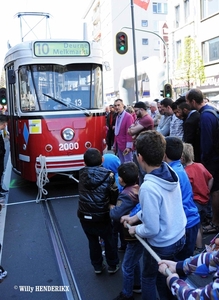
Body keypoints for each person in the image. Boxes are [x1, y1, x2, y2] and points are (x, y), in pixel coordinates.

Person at [121, 130, 187, 300]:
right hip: (179, 235)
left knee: (149, 278)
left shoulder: (148, 188)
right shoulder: (170, 173)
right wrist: (135, 218)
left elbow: (151, 229)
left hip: (163, 243)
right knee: (167, 274)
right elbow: (159, 208)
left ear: (140, 157)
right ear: (163, 154)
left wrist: (135, 230)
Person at [77, 148, 120, 274]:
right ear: (102, 159)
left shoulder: (81, 174)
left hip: (84, 214)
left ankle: (97, 266)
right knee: (109, 239)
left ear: (84, 163)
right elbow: (114, 192)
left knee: (92, 241)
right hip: (102, 214)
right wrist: (112, 203)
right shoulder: (109, 175)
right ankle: (112, 265)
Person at [186, 88, 219, 233]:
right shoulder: (210, 112)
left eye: (188, 101)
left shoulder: (205, 116)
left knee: (215, 191)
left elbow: (207, 142)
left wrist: (203, 162)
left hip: (213, 159)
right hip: (215, 158)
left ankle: (215, 222)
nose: (187, 105)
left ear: (193, 101)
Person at [110, 162, 143, 300]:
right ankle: (137, 285)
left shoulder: (126, 195)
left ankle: (127, 294)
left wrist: (111, 207)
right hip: (139, 232)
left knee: (127, 266)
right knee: (134, 261)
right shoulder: (137, 188)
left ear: (122, 179)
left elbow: (116, 214)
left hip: (133, 235)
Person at [164, 137, 200, 260]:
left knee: (177, 266)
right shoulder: (180, 169)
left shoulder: (171, 174)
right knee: (184, 264)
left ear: (164, 154)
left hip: (183, 224)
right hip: (192, 219)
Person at [181, 143, 213, 252]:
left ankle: (198, 249)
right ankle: (200, 245)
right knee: (200, 225)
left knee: (196, 227)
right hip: (205, 201)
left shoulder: (186, 172)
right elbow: (211, 178)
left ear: (183, 158)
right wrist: (207, 191)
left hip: (195, 202)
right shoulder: (200, 165)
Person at [102, 153, 126, 252]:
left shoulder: (111, 179)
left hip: (113, 209)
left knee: (113, 230)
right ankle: (124, 245)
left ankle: (113, 248)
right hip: (123, 211)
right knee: (122, 230)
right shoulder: (120, 176)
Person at [128, 101, 154, 185]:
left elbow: (132, 131)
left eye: (136, 111)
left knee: (143, 172)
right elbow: (130, 130)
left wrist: (132, 129)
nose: (135, 113)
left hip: (144, 149)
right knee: (138, 171)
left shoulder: (146, 119)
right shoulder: (139, 118)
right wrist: (132, 129)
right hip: (138, 147)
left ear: (142, 109)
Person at [113, 99, 134, 163]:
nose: (117, 107)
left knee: (128, 163)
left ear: (123, 105)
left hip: (125, 145)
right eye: (115, 105)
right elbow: (116, 132)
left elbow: (129, 133)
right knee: (122, 163)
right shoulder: (117, 116)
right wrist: (114, 144)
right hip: (119, 145)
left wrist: (129, 147)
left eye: (118, 105)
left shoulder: (128, 116)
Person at [0, 115, 9, 197]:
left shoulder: (0, 132)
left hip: (1, 155)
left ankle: (0, 188)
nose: (5, 126)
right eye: (4, 124)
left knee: (1, 171)